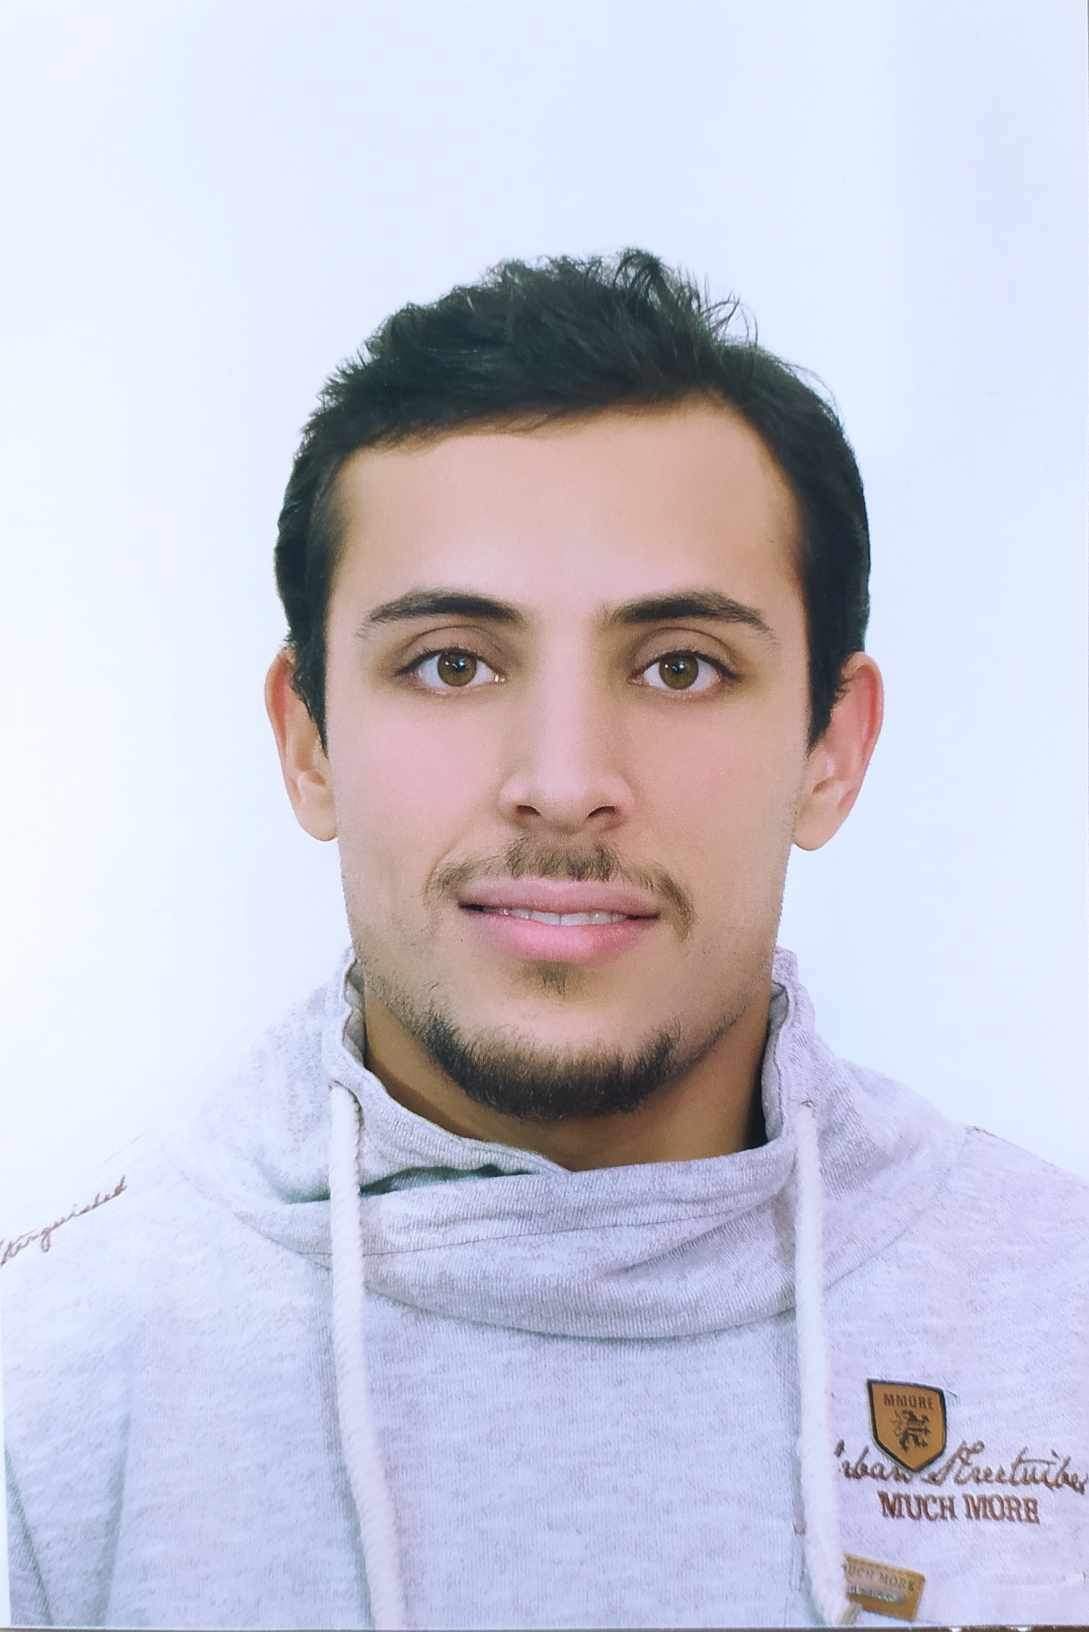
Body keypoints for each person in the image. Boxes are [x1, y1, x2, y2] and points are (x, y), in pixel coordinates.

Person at [4, 248, 1086, 1631]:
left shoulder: (1061, 1315)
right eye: (451, 662)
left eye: (680, 665)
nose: (564, 780)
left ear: (830, 748)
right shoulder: (43, 1387)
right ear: (309, 740)